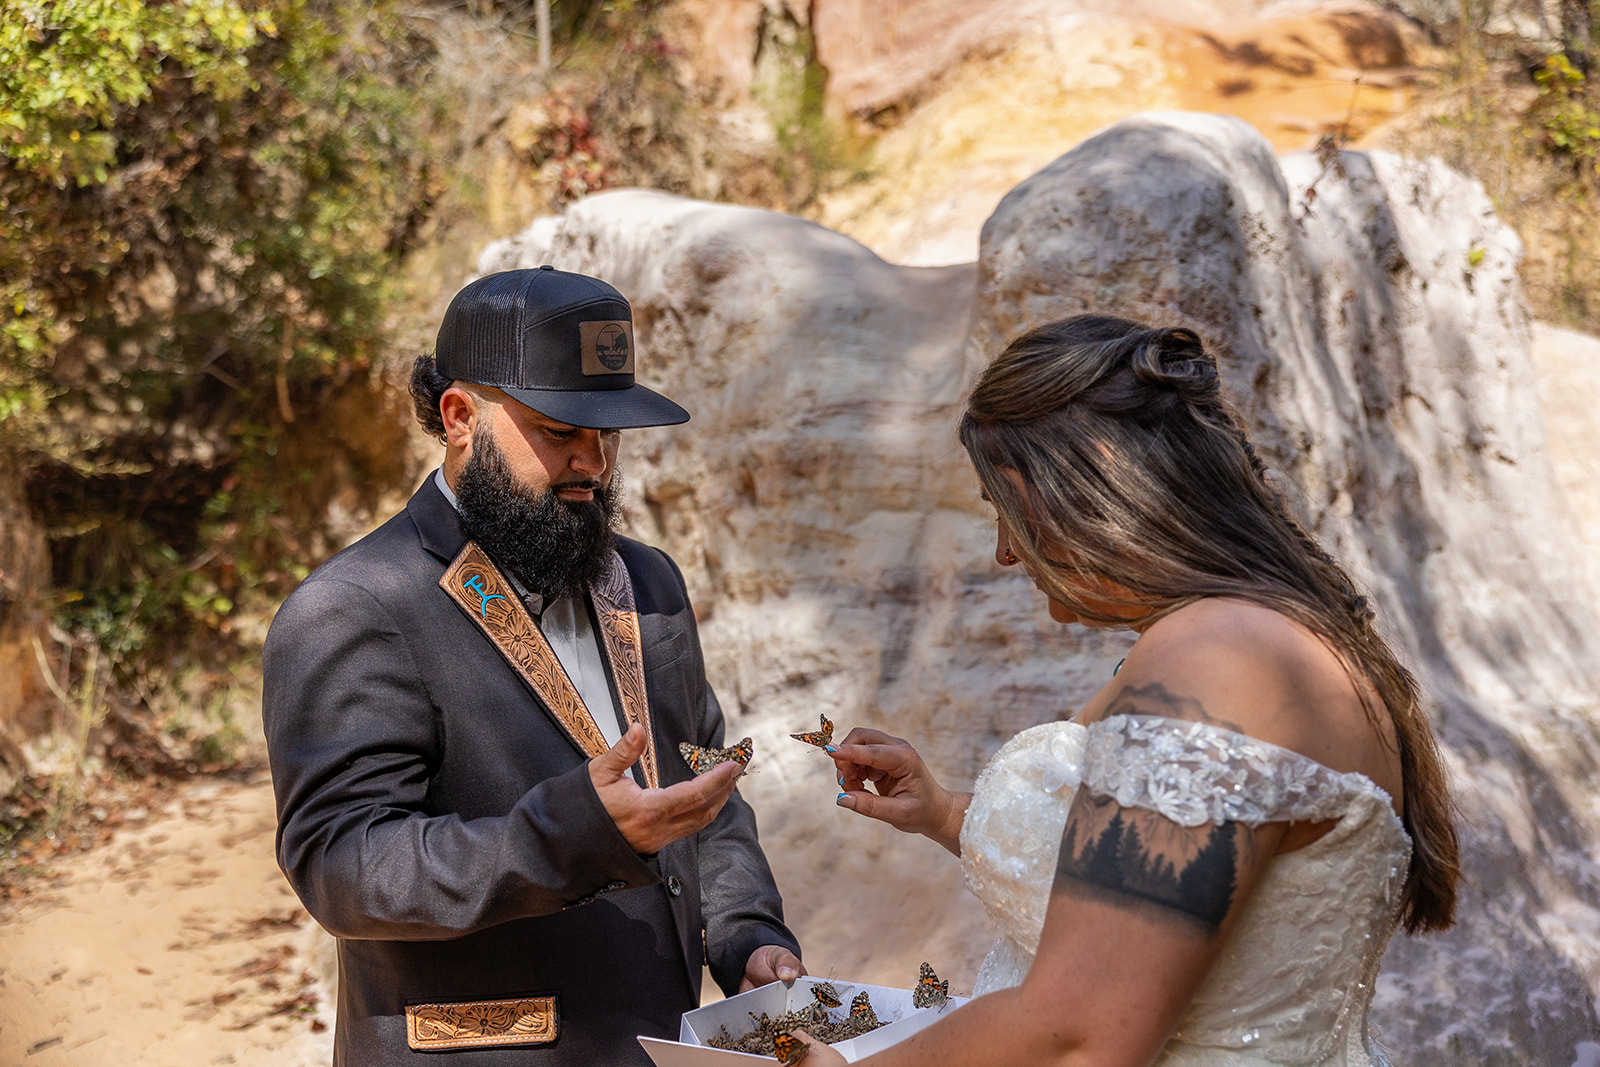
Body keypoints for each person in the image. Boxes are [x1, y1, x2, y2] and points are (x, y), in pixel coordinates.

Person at [794, 316, 1459, 1066]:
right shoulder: (1253, 640)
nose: (1006, 550)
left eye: (1003, 505)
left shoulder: (1217, 665)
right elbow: (1147, 903)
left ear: (1096, 474)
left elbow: (1080, 1029)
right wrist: (948, 814)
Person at [262, 266, 803, 1066]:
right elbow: (342, 863)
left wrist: (747, 934)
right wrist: (572, 832)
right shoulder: (353, 607)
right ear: (458, 417)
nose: (593, 462)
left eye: (608, 433)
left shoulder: (649, 582)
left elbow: (707, 793)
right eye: (559, 431)